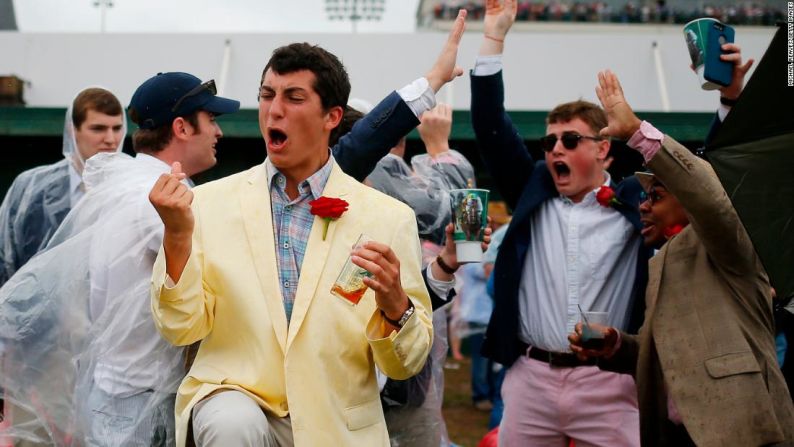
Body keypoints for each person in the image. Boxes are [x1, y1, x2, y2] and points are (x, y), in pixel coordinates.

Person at [148, 12, 469, 447]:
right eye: (267, 95)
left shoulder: (387, 218)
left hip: (336, 424)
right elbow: (180, 328)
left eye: (294, 97)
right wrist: (178, 237)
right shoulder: (205, 204)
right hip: (234, 400)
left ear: (331, 116)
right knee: (232, 424)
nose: (273, 109)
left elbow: (405, 364)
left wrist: (396, 305)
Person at [569, 69, 794, 446]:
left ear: (687, 203)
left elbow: (709, 198)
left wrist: (638, 134)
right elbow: (671, 352)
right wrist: (618, 346)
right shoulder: (661, 261)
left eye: (655, 196)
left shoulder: (728, 242)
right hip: (677, 432)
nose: (643, 206)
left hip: (740, 430)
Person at [469, 1, 650, 444]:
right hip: (531, 378)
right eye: (550, 141)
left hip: (609, 383)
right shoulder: (534, 189)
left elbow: (699, 183)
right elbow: (490, 125)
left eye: (570, 140)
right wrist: (494, 36)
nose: (555, 150)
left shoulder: (636, 204)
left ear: (603, 149)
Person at [0, 87, 125, 285]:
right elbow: (5, 257)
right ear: (72, 130)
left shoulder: (130, 187)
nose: (110, 139)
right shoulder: (32, 187)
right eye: (98, 128)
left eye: (117, 128)